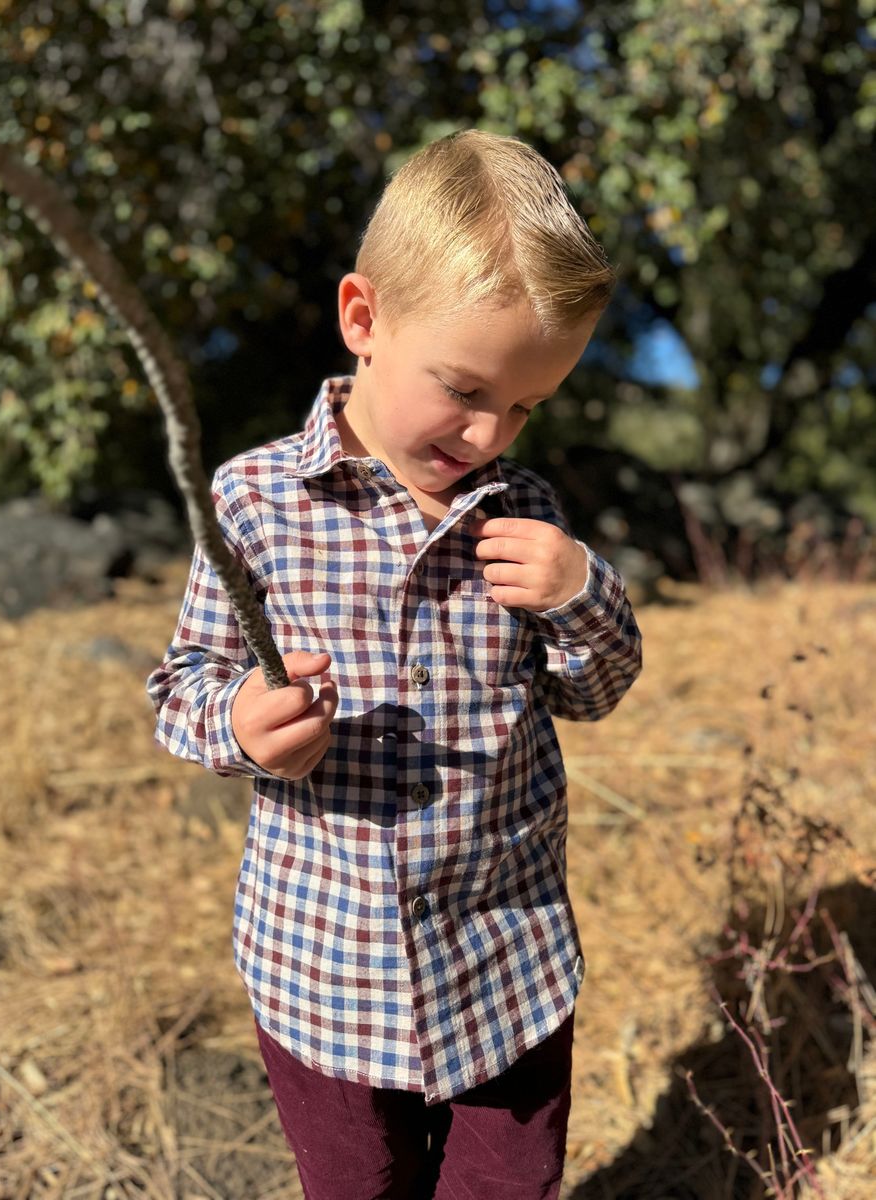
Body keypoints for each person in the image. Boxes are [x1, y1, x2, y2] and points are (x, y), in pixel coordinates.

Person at [146, 128, 643, 1200]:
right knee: (359, 1187)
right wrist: (238, 721)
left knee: (506, 1185)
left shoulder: (527, 518)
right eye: (465, 388)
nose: (488, 431)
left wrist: (581, 595)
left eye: (523, 407)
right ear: (363, 319)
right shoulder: (254, 503)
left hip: (503, 959)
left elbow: (590, 692)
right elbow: (180, 684)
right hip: (326, 969)